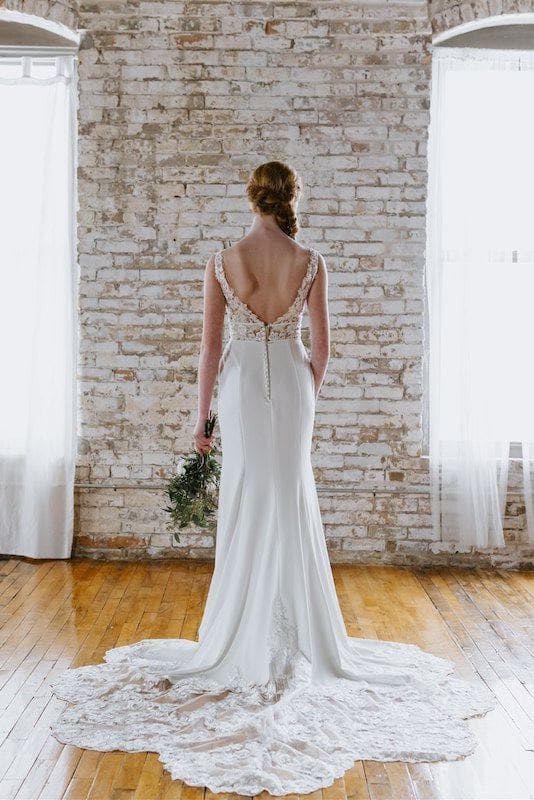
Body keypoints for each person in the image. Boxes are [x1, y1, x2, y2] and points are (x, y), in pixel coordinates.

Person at [50, 161, 492, 795]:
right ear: (290, 200)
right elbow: (323, 346)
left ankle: (241, 633)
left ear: (251, 198)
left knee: (248, 496)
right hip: (289, 382)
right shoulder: (310, 261)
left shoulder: (222, 261)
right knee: (289, 495)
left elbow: (209, 348)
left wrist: (202, 419)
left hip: (237, 389)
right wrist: (303, 391)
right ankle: (295, 633)